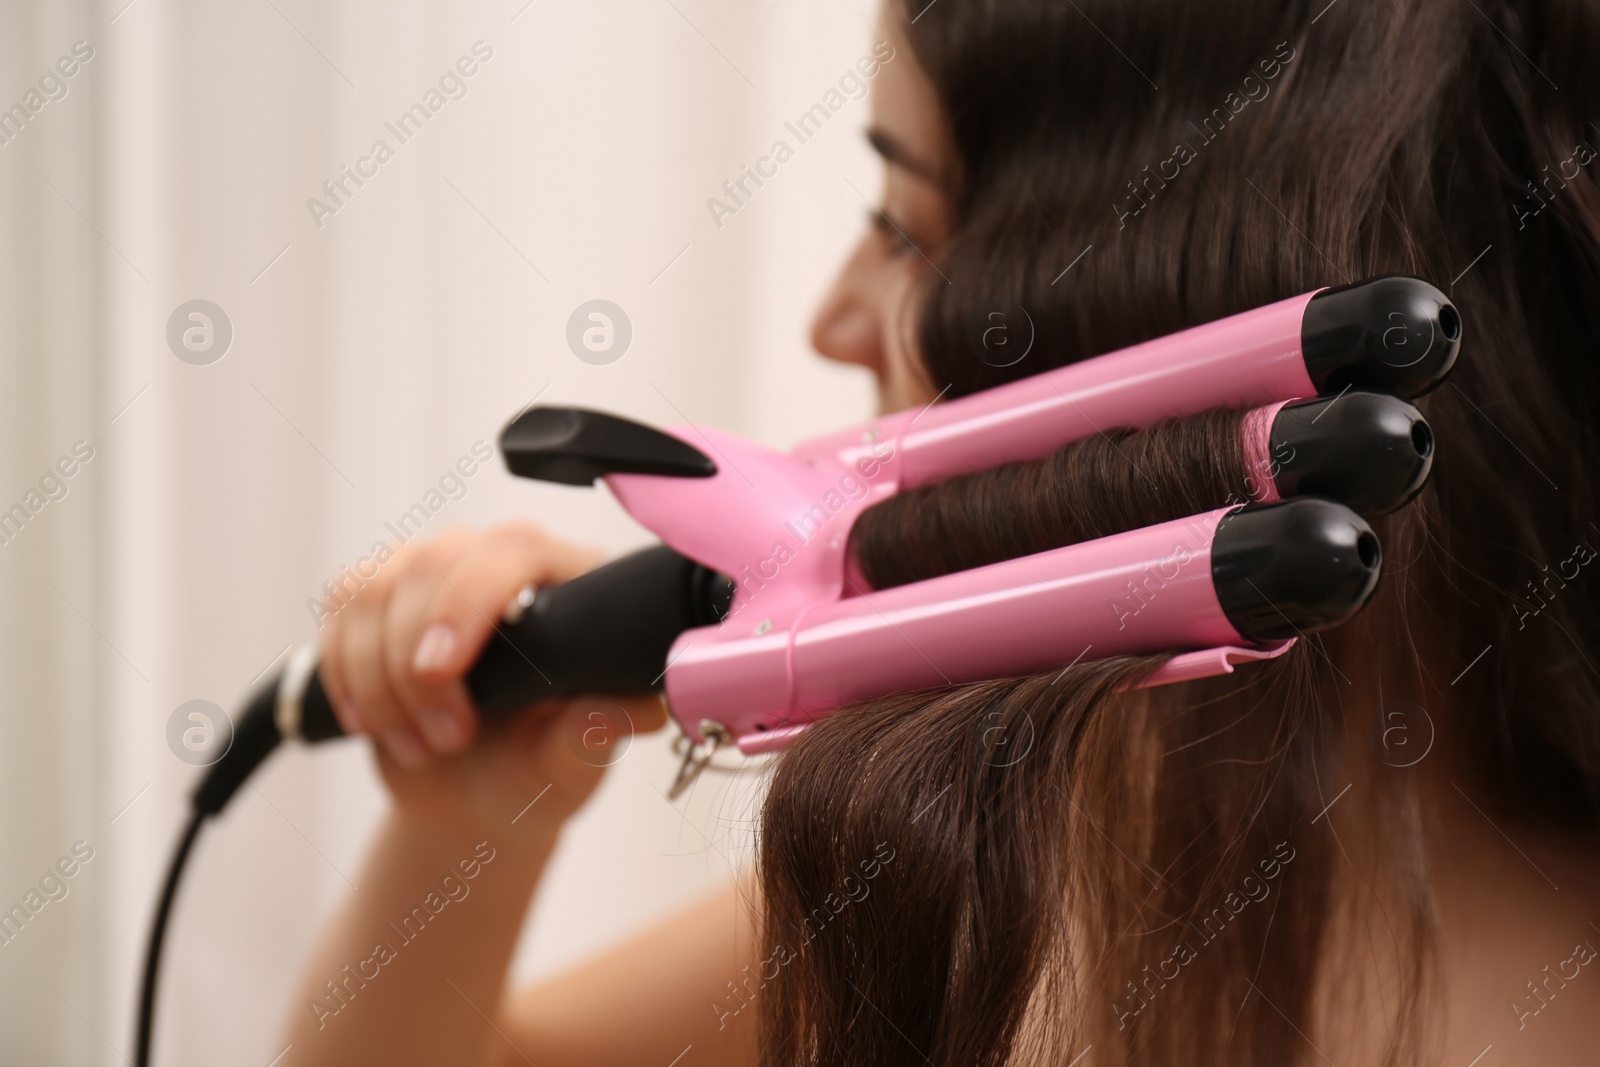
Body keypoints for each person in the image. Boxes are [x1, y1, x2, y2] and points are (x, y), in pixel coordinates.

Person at [285, 1, 1600, 1064]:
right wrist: (475, 811)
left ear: (1157, 289)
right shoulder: (1042, 843)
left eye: (907, 230)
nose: (831, 317)